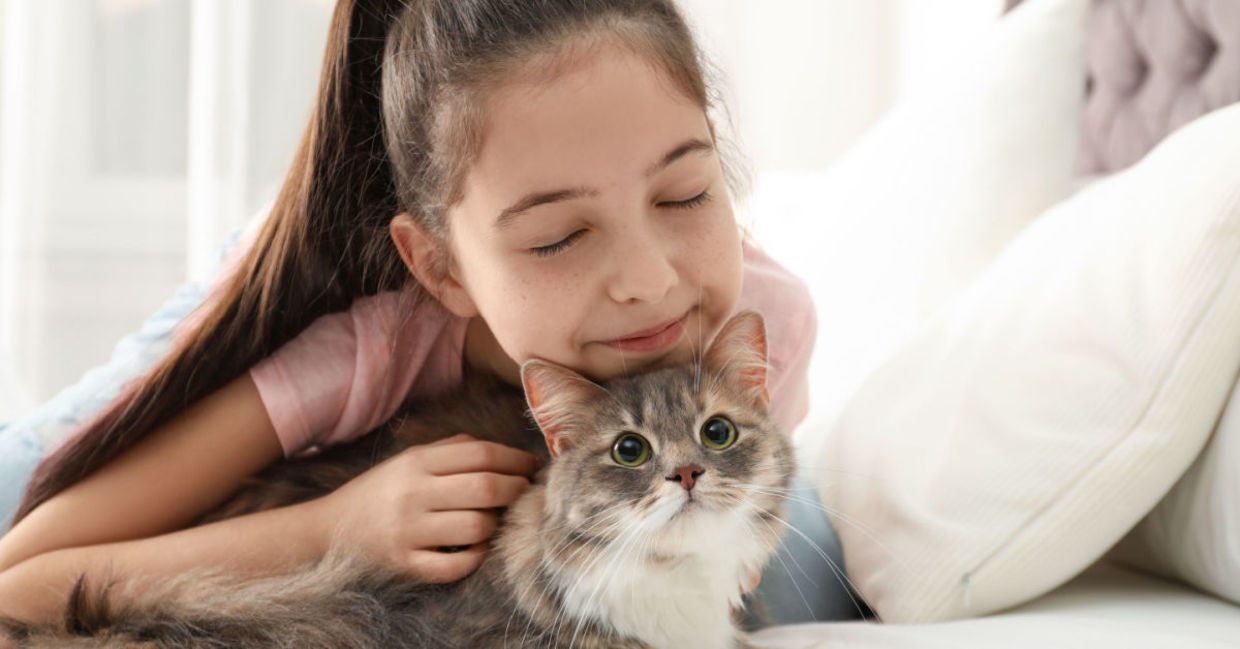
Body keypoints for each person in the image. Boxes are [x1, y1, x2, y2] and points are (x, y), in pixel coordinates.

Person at [0, 0, 854, 631]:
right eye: (559, 237)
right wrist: (334, 528)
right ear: (441, 266)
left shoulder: (766, 312)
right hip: (234, 328)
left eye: (686, 192)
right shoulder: (373, 341)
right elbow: (20, 580)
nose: (647, 278)